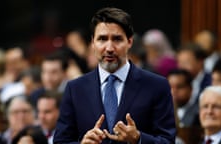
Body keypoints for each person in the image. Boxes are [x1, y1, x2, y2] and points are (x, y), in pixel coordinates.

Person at [54, 7, 176, 144]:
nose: (110, 48)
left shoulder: (157, 86)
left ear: (130, 42)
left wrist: (139, 139)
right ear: (93, 42)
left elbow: (168, 141)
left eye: (117, 39)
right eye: (102, 39)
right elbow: (60, 141)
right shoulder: (75, 88)